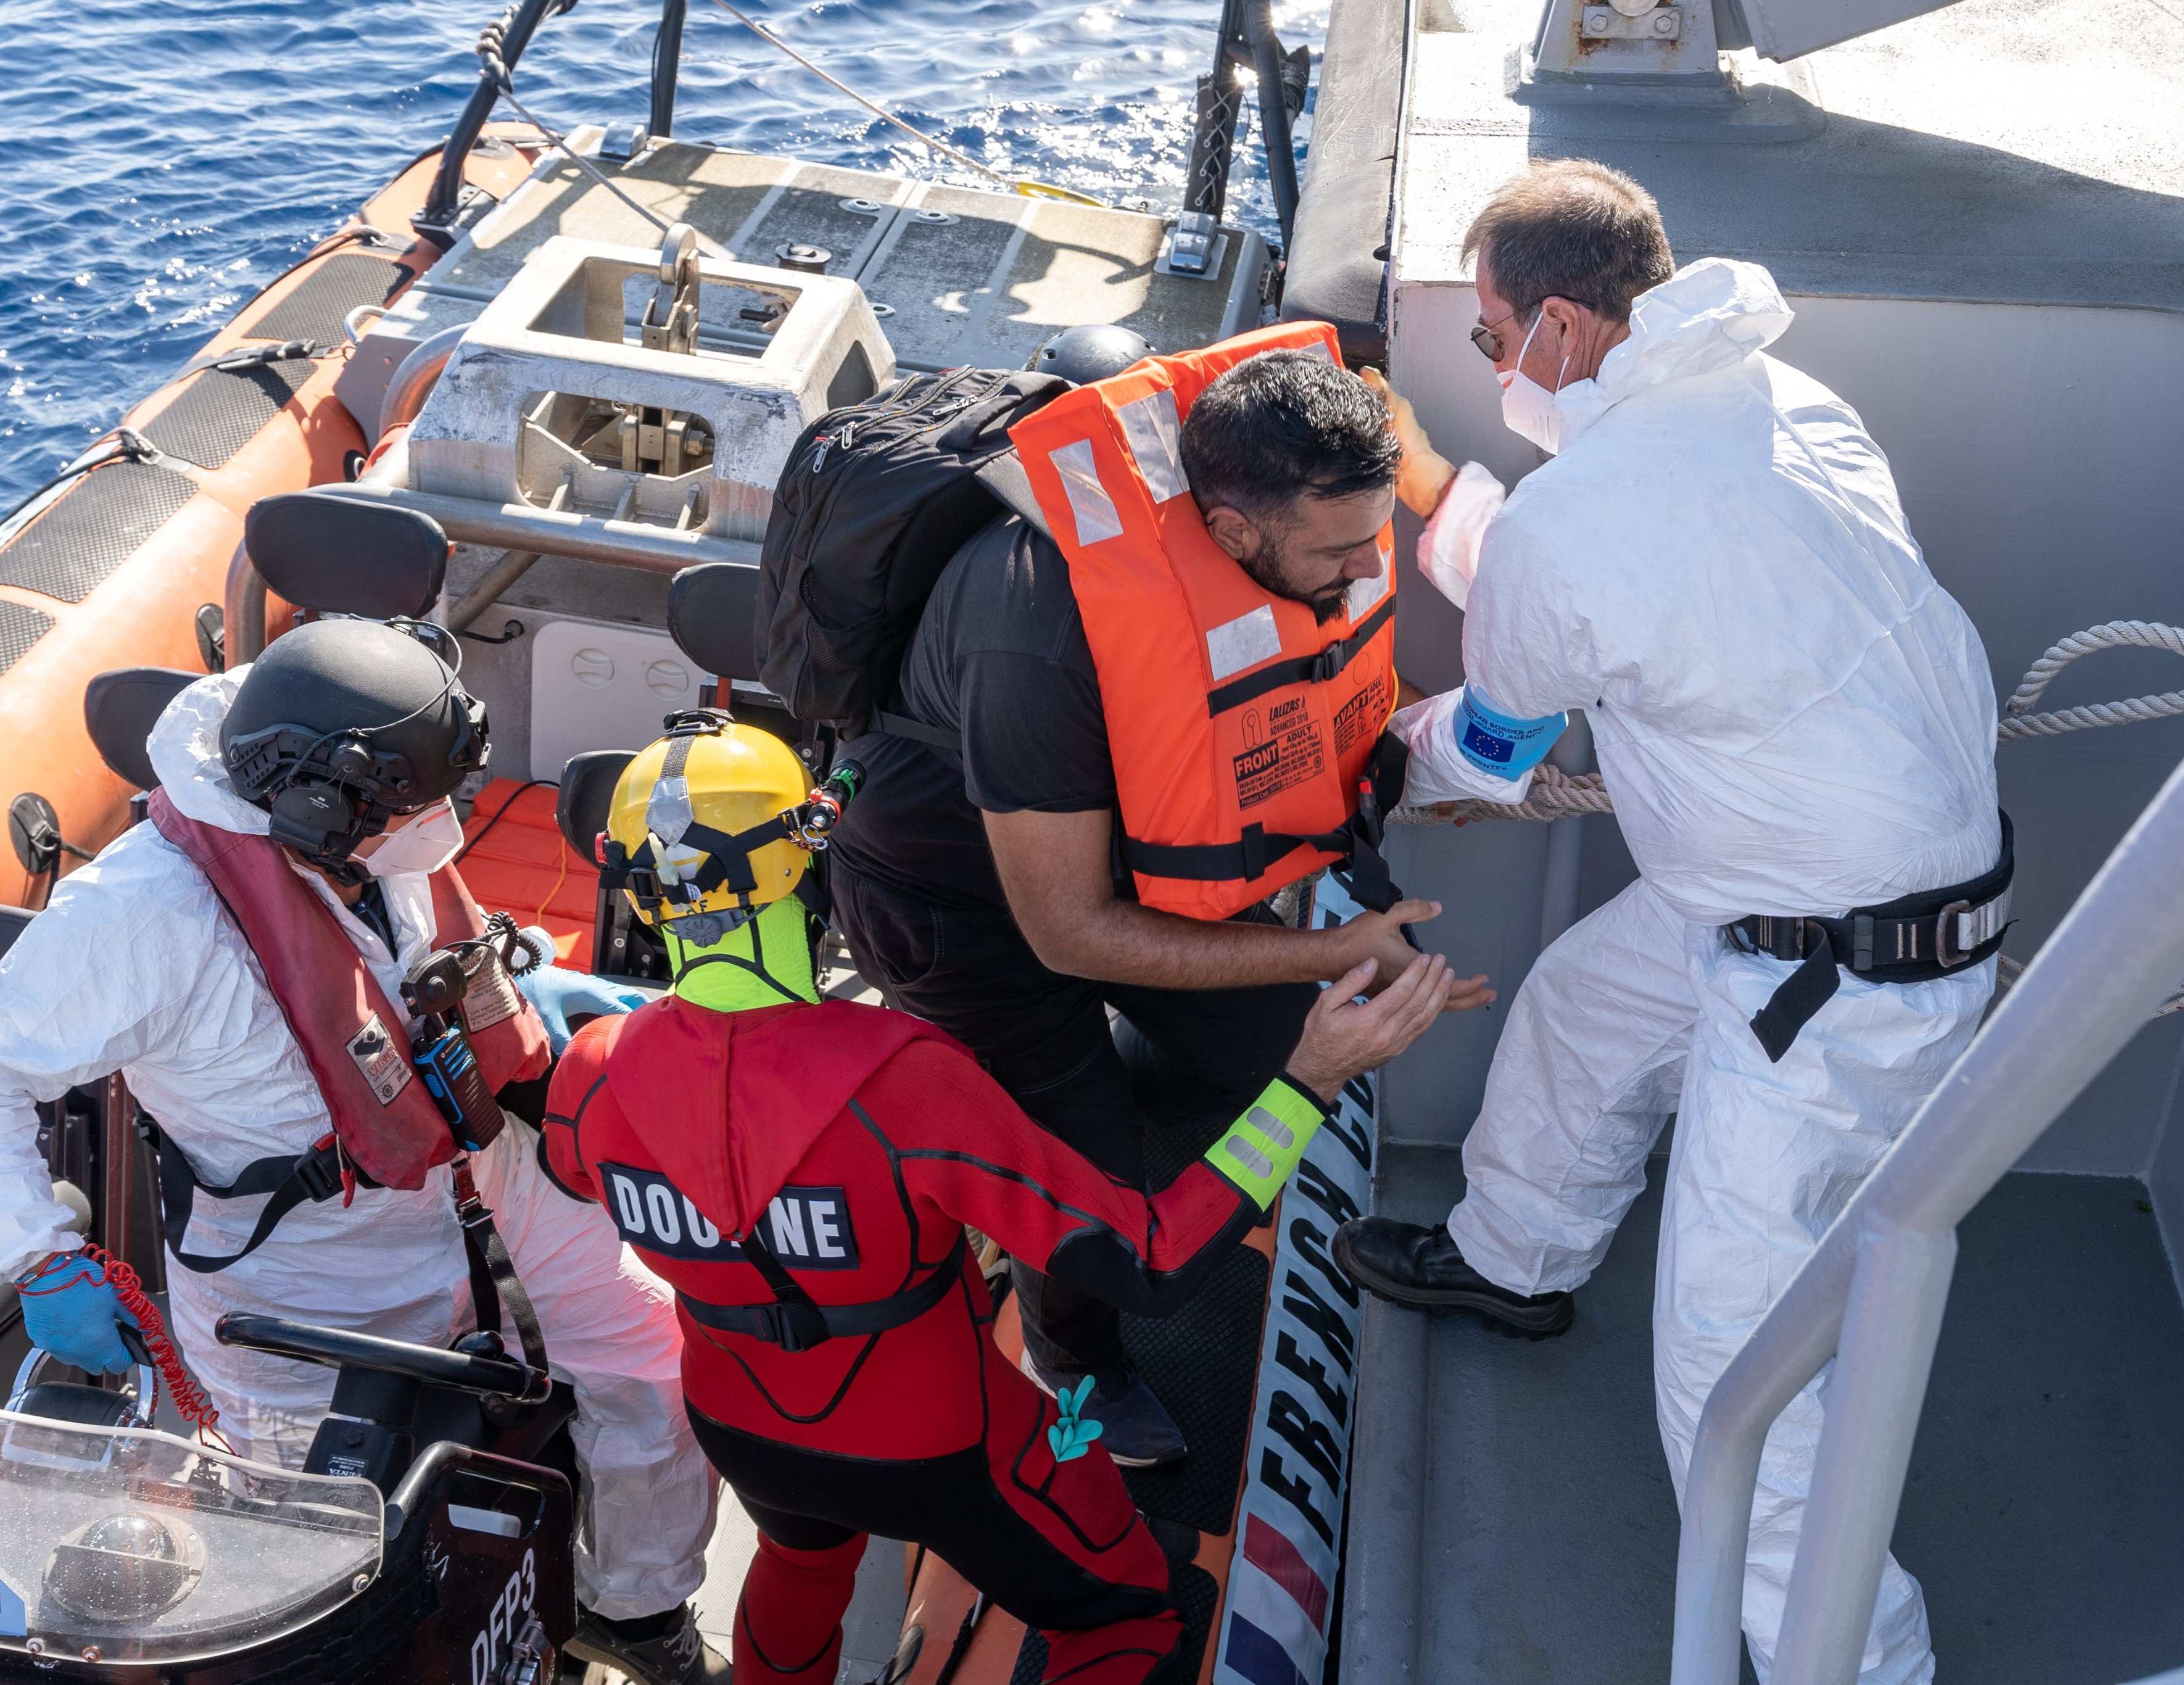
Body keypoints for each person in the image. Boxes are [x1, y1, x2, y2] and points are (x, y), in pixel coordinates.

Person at [1333, 159, 2008, 1685]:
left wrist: (1375, 754)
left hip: (1837, 978)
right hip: (1819, 891)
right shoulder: (1784, 400)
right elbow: (1657, 587)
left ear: (1564, 328)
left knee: (1729, 1373)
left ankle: (1856, 1664)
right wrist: (1459, 514)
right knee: (1583, 1009)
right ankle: (1511, 1257)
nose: (1493, 364)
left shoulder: (1576, 523)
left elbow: (1497, 745)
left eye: (1493, 336)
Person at [544, 713, 1454, 1685]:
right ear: (809, 860)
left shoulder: (590, 1073)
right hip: (943, 1450)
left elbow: (578, 1173)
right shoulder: (907, 1078)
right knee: (1129, 1619)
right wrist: (1310, 1078)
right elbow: (1151, 1258)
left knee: (802, 1563)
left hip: (744, 1433)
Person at [0, 618, 724, 1685]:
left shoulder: (361, 799)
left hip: (492, 1189)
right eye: (416, 810)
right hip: (308, 1282)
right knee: (341, 1535)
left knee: (657, 1365)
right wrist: (39, 1259)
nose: (438, 827)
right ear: (320, 807)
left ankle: (635, 1605)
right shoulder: (142, 915)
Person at [825, 323, 1492, 1465]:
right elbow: (1067, 931)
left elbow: (1308, 684)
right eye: (1340, 553)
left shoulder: (1270, 537)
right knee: (1096, 1203)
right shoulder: (1035, 628)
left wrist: (1470, 759)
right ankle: (1070, 1352)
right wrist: (1334, 951)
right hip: (964, 914)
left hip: (1131, 860)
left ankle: (1119, 1093)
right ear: (1229, 530)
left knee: (1262, 1049)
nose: (1361, 574)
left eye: (1371, 541)